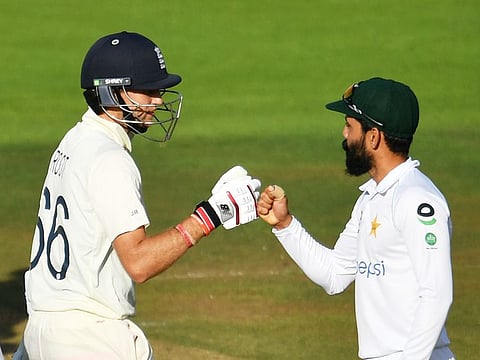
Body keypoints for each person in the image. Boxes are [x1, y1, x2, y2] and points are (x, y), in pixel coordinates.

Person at [15, 31, 261, 360]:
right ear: (112, 91)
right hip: (88, 339)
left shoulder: (73, 141)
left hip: (43, 331)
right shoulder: (110, 158)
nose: (158, 100)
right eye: (148, 90)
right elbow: (140, 263)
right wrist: (212, 215)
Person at [257, 77, 455, 360]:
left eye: (350, 126)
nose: (344, 134)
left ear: (373, 136)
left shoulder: (416, 200)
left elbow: (437, 294)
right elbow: (334, 274)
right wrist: (285, 224)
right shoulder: (371, 198)